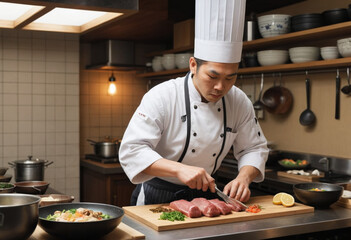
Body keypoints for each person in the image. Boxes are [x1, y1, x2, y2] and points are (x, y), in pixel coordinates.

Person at [119, 0, 268, 206]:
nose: (220, 87)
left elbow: (254, 148)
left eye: (230, 78)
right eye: (212, 76)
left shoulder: (239, 100)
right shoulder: (163, 96)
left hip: (207, 196)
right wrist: (179, 169)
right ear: (193, 65)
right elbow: (132, 150)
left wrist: (244, 177)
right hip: (158, 195)